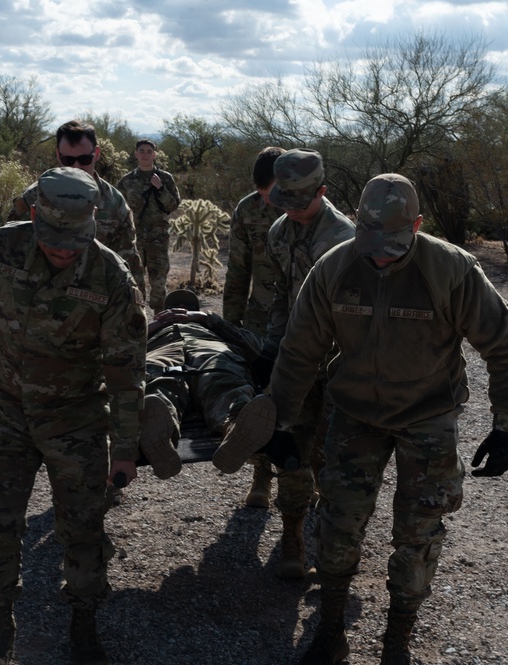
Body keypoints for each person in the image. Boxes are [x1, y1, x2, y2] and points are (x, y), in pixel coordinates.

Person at [221, 173, 508, 665]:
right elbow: (300, 354)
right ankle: (329, 632)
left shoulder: (451, 269)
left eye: (394, 244)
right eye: (372, 243)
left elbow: (505, 348)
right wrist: (278, 425)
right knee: (338, 525)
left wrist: (504, 426)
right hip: (354, 414)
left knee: (419, 534)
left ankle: (396, 643)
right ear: (357, 224)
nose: (382, 255)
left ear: (418, 225)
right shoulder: (335, 268)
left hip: (427, 416)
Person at [0, 167, 147, 665]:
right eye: (55, 239)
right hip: (4, 407)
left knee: (83, 523)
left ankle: (84, 620)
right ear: (33, 215)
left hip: (75, 417)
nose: (65, 250)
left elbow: (125, 371)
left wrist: (126, 449)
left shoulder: (112, 276)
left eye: (75, 240)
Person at [217, 148, 355, 580]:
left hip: (336, 364)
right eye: (284, 203)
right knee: (291, 444)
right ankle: (293, 537)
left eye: (301, 204)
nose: (292, 213)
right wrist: (272, 348)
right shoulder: (278, 231)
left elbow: (355, 314)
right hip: (294, 361)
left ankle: (336, 548)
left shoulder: (344, 239)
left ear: (322, 191)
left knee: (333, 456)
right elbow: (278, 294)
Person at [138, 290, 300, 482]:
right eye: (171, 312)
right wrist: (151, 327)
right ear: (161, 313)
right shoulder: (151, 332)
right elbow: (117, 347)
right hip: (163, 350)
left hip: (209, 348)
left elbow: (258, 348)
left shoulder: (212, 327)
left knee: (224, 379)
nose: (178, 314)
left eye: (186, 310)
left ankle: (236, 427)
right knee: (159, 385)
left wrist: (208, 319)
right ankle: (160, 437)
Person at [14, 120, 146, 295]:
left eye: (84, 159)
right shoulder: (34, 196)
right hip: (37, 299)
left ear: (96, 154)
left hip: (91, 303)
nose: (76, 167)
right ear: (58, 156)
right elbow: (13, 250)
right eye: (68, 160)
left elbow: (129, 263)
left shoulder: (114, 203)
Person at [222, 146, 286, 510]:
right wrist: (230, 327)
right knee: (262, 397)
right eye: (263, 193)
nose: (269, 200)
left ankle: (305, 477)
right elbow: (237, 271)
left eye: (274, 192)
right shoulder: (247, 210)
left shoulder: (308, 209)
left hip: (303, 319)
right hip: (261, 318)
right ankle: (261, 476)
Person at [117, 139, 180, 312]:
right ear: (136, 154)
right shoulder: (126, 181)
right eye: (142, 151)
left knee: (158, 282)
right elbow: (117, 208)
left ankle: (160, 323)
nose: (145, 154)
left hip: (158, 239)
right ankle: (138, 321)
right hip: (134, 239)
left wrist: (160, 188)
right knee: (135, 283)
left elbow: (173, 205)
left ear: (154, 154)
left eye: (149, 151)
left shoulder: (165, 178)